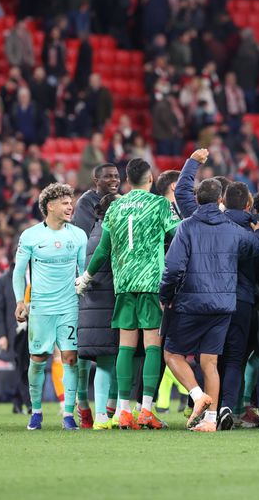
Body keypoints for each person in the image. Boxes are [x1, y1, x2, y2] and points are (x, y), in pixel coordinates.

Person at [76, 159, 179, 430]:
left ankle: (122, 411)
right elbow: (178, 235)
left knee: (125, 346)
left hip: (123, 285)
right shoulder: (159, 204)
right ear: (151, 178)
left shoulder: (116, 206)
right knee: (152, 346)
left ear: (127, 180)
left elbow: (103, 249)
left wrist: (86, 276)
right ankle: (145, 410)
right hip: (151, 283)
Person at [160, 178, 259, 432]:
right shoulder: (232, 229)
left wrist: (166, 295)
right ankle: (210, 420)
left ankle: (198, 396)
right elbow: (255, 246)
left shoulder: (187, 226)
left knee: (172, 354)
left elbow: (173, 267)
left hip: (191, 302)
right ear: (220, 200)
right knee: (210, 362)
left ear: (197, 199)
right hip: (223, 305)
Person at [12, 182, 88, 430]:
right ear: (50, 206)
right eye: (65, 203)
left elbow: (83, 272)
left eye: (70, 202)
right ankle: (36, 412)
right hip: (41, 308)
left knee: (70, 358)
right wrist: (20, 301)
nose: (70, 206)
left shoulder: (78, 235)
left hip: (69, 306)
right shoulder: (31, 236)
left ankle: (68, 414)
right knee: (38, 358)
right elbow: (19, 272)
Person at [69, 161, 119, 428]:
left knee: (105, 350)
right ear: (95, 180)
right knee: (86, 353)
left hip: (104, 285)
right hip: (89, 284)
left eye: (116, 176)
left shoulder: (118, 201)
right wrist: (83, 278)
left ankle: (102, 408)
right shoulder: (87, 204)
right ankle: (83, 403)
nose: (114, 180)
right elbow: (86, 244)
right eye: (108, 176)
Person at [0, 260, 28, 414]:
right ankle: (27, 403)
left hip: (34, 328)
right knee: (20, 366)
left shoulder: (36, 275)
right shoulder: (3, 280)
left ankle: (19, 401)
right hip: (14, 331)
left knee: (29, 366)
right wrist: (1, 335)